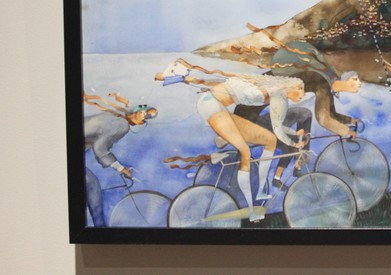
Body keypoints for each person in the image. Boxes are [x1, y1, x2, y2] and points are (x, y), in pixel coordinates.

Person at [155, 59, 306, 222]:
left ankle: (261, 190)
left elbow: (277, 128)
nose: (303, 94)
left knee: (269, 140)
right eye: (300, 89)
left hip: (221, 108)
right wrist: (294, 143)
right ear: (290, 87)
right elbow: (277, 128)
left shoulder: (279, 97)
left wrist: (294, 135)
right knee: (245, 152)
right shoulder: (276, 94)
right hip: (210, 104)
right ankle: (251, 210)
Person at [251, 31, 362, 139]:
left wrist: (350, 121)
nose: (359, 83)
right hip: (253, 108)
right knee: (300, 123)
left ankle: (299, 150)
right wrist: (346, 131)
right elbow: (323, 119)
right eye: (355, 79)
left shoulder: (327, 82)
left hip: (259, 98)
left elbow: (330, 113)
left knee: (303, 122)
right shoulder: (322, 82)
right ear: (345, 80)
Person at [83, 91, 157, 226]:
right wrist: (121, 169)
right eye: (146, 114)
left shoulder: (115, 117)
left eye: (148, 117)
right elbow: (100, 148)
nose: (145, 119)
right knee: (92, 186)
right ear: (137, 112)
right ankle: (99, 230)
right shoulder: (122, 125)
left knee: (91, 185)